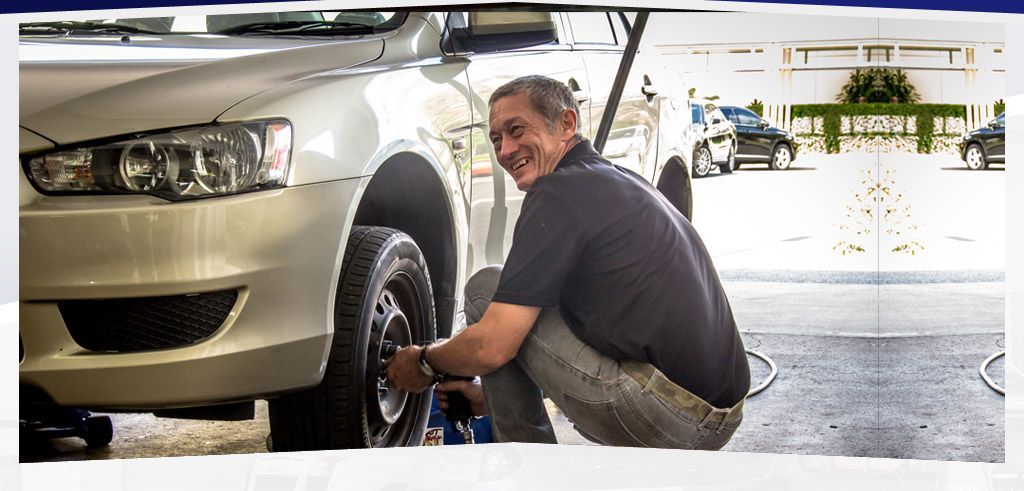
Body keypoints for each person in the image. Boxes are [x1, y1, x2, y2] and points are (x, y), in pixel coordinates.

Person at [387, 75, 750, 449]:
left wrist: (424, 361)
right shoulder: (613, 180)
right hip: (718, 414)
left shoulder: (556, 193)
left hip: (675, 420)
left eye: (516, 130)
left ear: (567, 124)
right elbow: (561, 336)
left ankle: (529, 471)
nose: (506, 150)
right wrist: (492, 395)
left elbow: (492, 345)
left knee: (486, 291)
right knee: (515, 307)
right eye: (496, 139)